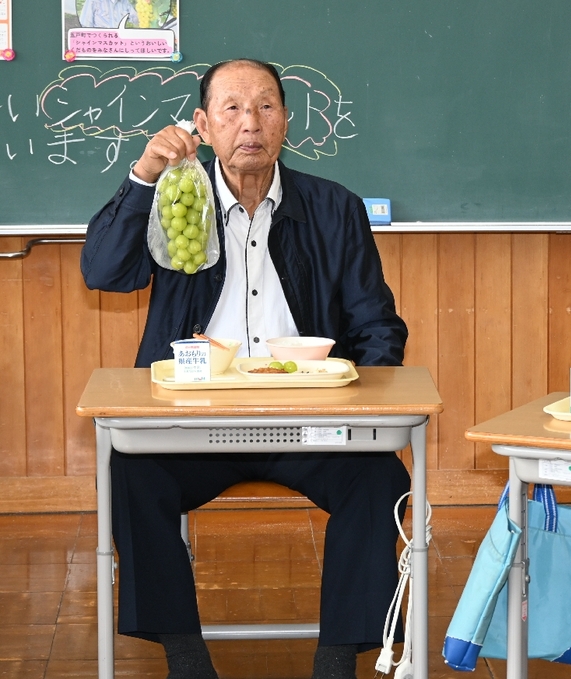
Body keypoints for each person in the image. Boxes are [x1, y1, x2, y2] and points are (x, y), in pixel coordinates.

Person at [81, 59, 410, 679]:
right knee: (128, 471)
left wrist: (359, 397)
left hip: (309, 418)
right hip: (191, 420)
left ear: (286, 120)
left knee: (378, 481)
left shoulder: (333, 207)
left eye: (264, 106)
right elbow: (103, 272)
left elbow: (377, 325)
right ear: (203, 124)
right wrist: (145, 176)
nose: (250, 123)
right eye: (231, 109)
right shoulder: (180, 196)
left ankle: (338, 656)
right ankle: (185, 653)